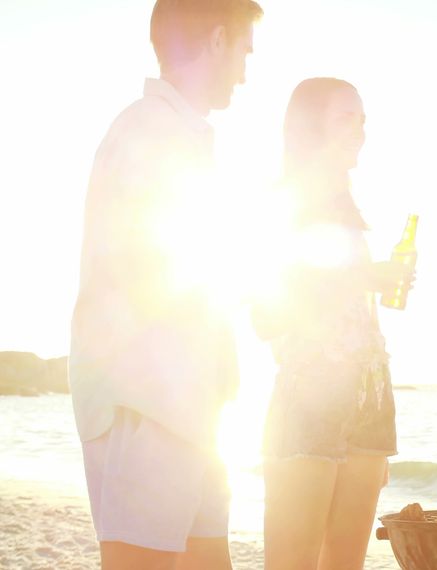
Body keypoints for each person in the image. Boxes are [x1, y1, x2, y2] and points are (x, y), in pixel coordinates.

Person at [69, 1, 262, 568]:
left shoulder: (182, 132)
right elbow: (154, 269)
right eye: (245, 52)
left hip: (189, 404)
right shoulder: (150, 131)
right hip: (147, 401)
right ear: (220, 40)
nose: (246, 71)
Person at [252, 77, 412, 570]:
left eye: (363, 118)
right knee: (293, 563)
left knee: (346, 563)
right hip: (311, 393)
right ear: (310, 126)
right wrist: (363, 277)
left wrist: (375, 284)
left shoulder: (347, 207)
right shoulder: (282, 204)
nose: (360, 130)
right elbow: (265, 315)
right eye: (347, 116)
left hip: (370, 391)